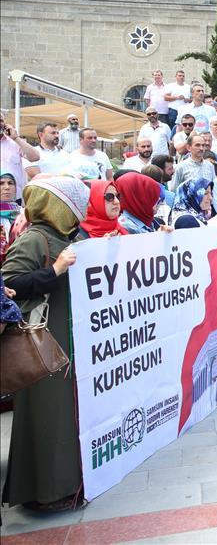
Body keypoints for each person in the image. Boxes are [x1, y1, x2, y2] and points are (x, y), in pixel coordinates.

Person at [1, 176, 90, 511]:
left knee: (67, 414)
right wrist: (54, 270)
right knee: (48, 414)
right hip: (43, 340)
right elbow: (9, 285)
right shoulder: (36, 238)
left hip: (68, 337)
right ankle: (46, 492)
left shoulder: (70, 236)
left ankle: (70, 483)